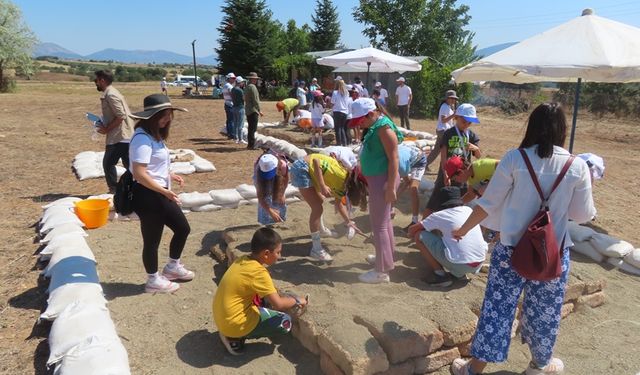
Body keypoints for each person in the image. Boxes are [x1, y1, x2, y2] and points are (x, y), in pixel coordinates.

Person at [449, 103, 596, 375]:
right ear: (562, 130)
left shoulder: (514, 159)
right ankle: (539, 365)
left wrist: (463, 229)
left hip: (510, 250)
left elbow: (488, 204)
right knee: (546, 311)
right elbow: (582, 214)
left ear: (531, 127)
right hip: (552, 252)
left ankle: (473, 369)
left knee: (497, 309)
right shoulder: (578, 167)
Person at [128, 94, 193, 293]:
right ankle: (153, 280)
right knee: (152, 240)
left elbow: (154, 165)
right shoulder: (142, 138)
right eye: (163, 116)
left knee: (183, 228)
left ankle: (172, 267)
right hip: (148, 195)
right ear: (151, 117)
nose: (167, 120)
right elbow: (139, 173)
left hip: (160, 193)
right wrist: (164, 191)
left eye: (169, 115)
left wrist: (170, 174)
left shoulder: (155, 136)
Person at [213, 228, 308, 355]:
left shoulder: (242, 260)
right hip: (232, 323)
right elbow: (278, 304)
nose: (279, 256)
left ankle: (231, 331)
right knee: (285, 322)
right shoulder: (259, 273)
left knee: (261, 304)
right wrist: (297, 300)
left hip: (221, 316)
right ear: (266, 253)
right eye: (278, 252)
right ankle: (233, 338)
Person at [351, 98, 403, 283]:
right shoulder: (377, 125)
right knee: (384, 221)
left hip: (384, 180)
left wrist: (389, 186)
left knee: (379, 225)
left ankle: (381, 271)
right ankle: (386, 259)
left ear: (371, 114)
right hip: (379, 179)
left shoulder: (384, 129)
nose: (359, 124)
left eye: (361, 120)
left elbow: (394, 158)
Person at [289, 153, 368, 261]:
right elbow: (316, 161)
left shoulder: (344, 184)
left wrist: (349, 222)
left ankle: (321, 231)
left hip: (309, 170)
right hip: (301, 168)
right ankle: (316, 249)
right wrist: (322, 185)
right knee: (317, 208)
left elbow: (339, 204)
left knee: (319, 201)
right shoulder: (340, 176)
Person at [407, 186, 486, 287]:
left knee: (419, 236)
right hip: (478, 262)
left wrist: (411, 234)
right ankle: (460, 275)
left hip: (460, 264)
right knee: (448, 235)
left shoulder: (439, 215)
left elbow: (412, 230)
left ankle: (440, 275)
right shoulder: (468, 210)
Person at [423, 103, 482, 218]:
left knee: (458, 203)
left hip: (463, 176)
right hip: (447, 174)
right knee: (435, 201)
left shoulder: (472, 135)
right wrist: (445, 174)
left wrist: (476, 149)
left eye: (469, 122)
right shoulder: (448, 134)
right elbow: (443, 154)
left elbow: (478, 156)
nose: (466, 125)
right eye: (464, 121)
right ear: (456, 118)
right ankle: (420, 225)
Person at [94, 70, 135, 193]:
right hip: (123, 135)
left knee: (108, 163)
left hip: (120, 136)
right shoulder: (111, 92)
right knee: (129, 165)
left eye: (96, 80)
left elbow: (121, 116)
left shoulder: (111, 94)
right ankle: (130, 188)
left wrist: (106, 129)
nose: (95, 83)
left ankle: (115, 189)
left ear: (102, 80)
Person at [397, 144, 428, 229]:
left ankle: (414, 221)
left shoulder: (401, 166)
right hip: (408, 156)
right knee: (401, 184)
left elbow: (406, 181)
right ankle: (390, 208)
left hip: (419, 160)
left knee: (413, 188)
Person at [426, 90, 458, 168]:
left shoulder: (448, 107)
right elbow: (443, 120)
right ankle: (448, 166)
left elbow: (449, 120)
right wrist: (453, 115)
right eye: (452, 98)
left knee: (436, 150)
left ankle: (424, 164)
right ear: (447, 98)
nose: (454, 100)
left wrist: (454, 116)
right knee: (449, 150)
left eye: (455, 99)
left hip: (443, 130)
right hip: (443, 131)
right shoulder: (444, 107)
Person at [254, 153, 289, 226]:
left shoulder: (283, 165)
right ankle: (266, 223)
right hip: (262, 181)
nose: (268, 177)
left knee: (279, 201)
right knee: (266, 200)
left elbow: (286, 179)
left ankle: (280, 221)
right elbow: (260, 195)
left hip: (279, 179)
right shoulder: (258, 168)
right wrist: (269, 210)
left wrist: (282, 193)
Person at [244, 72, 263, 149]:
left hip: (248, 109)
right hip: (253, 110)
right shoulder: (253, 87)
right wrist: (259, 110)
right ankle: (251, 145)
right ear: (252, 79)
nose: (256, 80)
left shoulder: (247, 87)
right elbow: (256, 100)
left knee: (250, 127)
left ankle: (250, 144)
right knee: (253, 128)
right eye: (255, 79)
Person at [330, 77, 351, 146]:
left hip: (337, 111)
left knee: (337, 128)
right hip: (345, 112)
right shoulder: (347, 92)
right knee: (342, 128)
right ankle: (344, 143)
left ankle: (339, 143)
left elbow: (332, 102)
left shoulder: (335, 92)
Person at [231, 76, 246, 144]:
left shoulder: (233, 89)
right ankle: (240, 139)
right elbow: (244, 99)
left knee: (235, 123)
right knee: (240, 124)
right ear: (239, 82)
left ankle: (235, 137)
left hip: (234, 107)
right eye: (242, 82)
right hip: (240, 107)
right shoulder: (240, 90)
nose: (243, 83)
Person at [222, 73, 236, 140]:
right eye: (233, 78)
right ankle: (232, 134)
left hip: (227, 103)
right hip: (231, 104)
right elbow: (232, 95)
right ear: (229, 78)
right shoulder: (229, 86)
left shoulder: (225, 86)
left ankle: (229, 133)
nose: (234, 79)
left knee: (229, 120)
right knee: (231, 120)